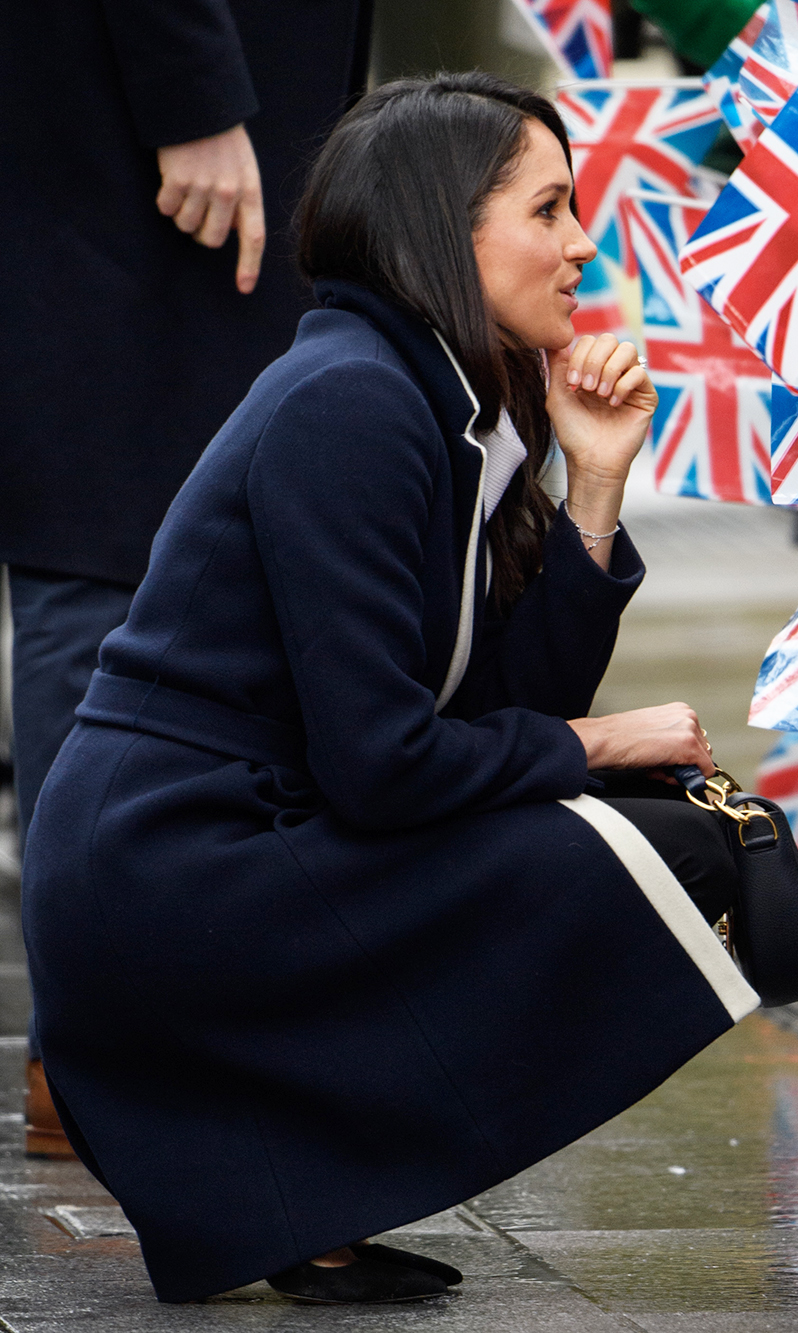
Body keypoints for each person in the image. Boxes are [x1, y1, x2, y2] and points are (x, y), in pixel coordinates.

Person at [21, 72, 758, 1307]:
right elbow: (387, 763)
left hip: (222, 851)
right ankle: (301, 1175)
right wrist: (595, 742)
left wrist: (591, 488)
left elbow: (484, 708)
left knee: (660, 837)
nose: (582, 245)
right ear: (441, 226)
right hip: (174, 878)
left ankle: (308, 1192)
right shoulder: (356, 402)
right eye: (549, 210)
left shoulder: (423, 392)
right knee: (654, 855)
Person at [0, 0, 372, 1155]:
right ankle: (101, 1048)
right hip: (157, 123)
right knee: (106, 558)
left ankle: (147, 1033)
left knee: (169, 558)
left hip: (200, 111)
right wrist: (192, 96)